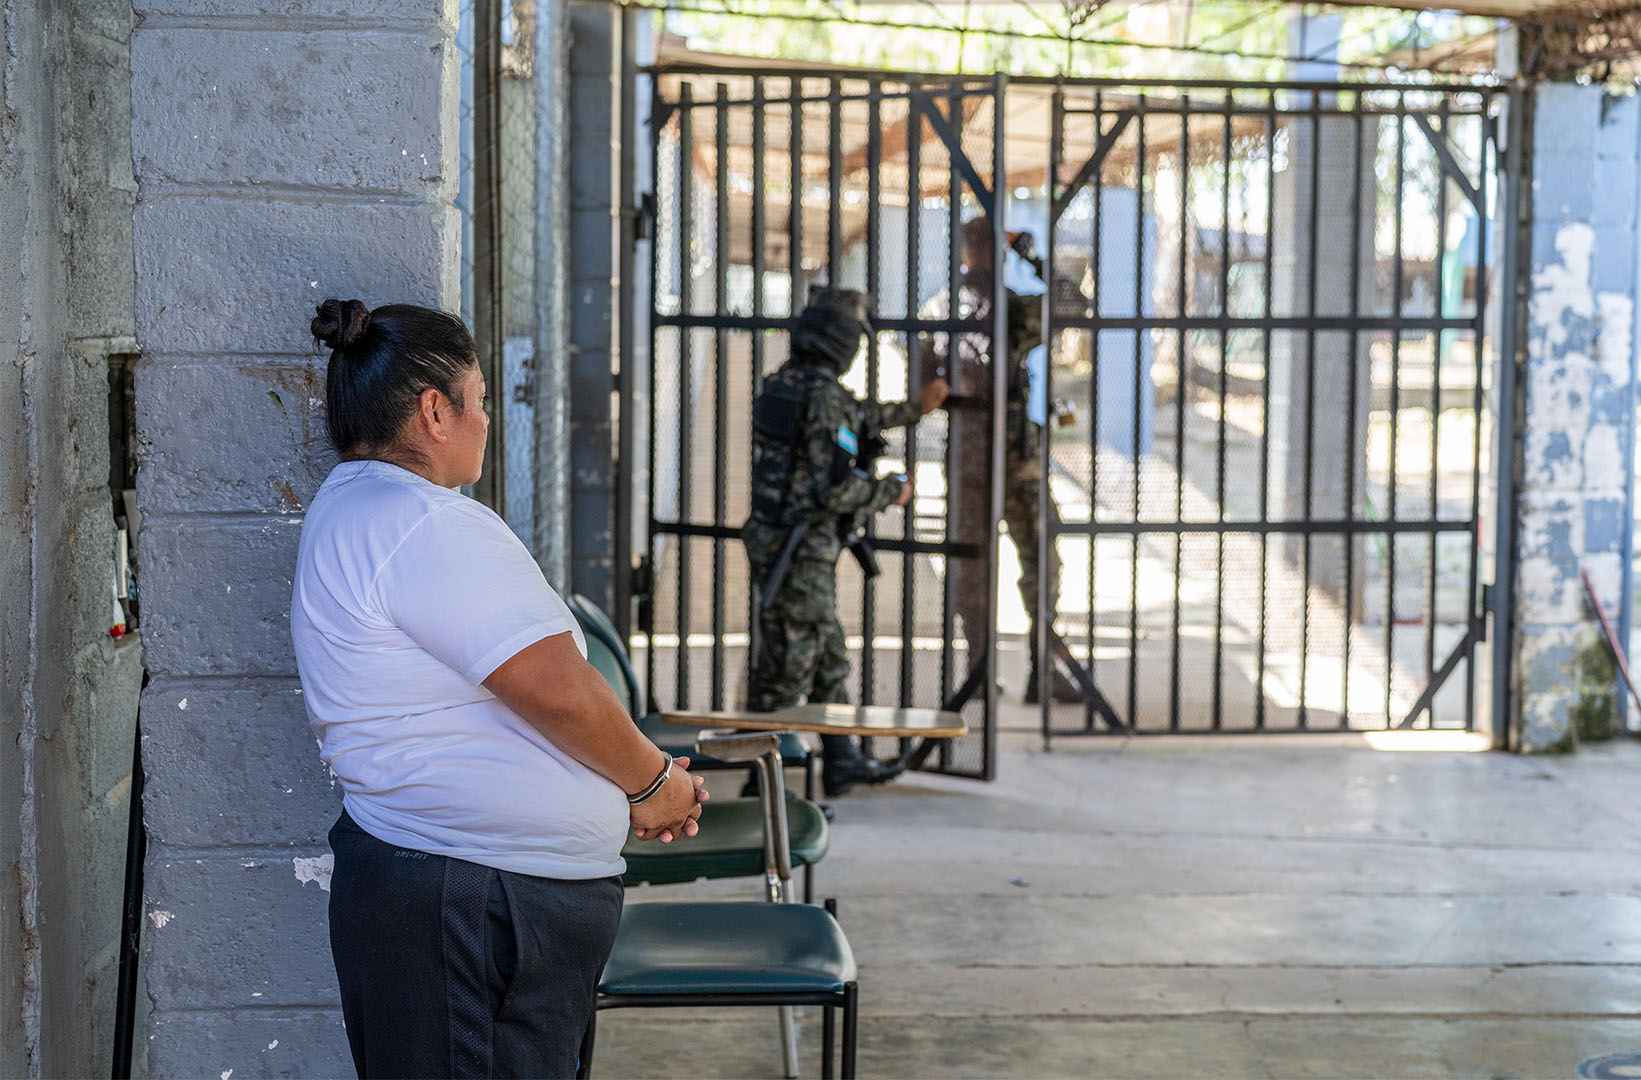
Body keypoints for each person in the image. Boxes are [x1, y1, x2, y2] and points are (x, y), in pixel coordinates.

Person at [291, 298, 707, 1079]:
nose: (488, 419)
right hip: (472, 907)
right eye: (479, 401)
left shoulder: (362, 507)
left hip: (456, 896)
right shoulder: (422, 523)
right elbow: (557, 691)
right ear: (434, 411)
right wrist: (653, 783)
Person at [743, 287, 949, 796]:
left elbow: (854, 418)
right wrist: (892, 492)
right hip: (799, 551)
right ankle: (758, 784)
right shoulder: (822, 394)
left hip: (781, 542)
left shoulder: (785, 384)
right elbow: (834, 489)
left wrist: (914, 410)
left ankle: (840, 759)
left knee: (829, 657)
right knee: (785, 669)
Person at [944, 217, 1084, 704]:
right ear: (999, 253)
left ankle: (978, 671)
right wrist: (1032, 255)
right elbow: (1073, 303)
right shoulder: (1009, 309)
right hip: (1014, 461)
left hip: (969, 463)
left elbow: (924, 383)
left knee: (974, 568)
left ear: (963, 254)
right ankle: (1040, 671)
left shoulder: (941, 310)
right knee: (1040, 561)